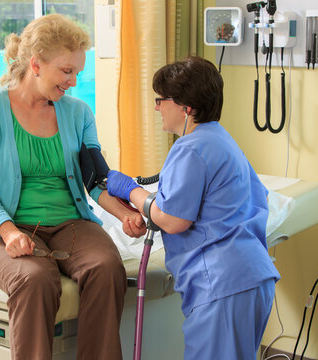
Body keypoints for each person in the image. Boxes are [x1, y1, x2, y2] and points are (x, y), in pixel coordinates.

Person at [0, 14, 146, 360]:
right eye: (66, 72)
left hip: (69, 223)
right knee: (34, 280)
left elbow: (96, 180)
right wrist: (7, 232)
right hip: (5, 226)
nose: (74, 81)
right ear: (35, 64)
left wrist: (124, 215)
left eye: (78, 72)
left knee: (107, 268)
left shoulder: (78, 113)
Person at [106, 56, 281, 360]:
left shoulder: (189, 148)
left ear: (186, 106)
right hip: (250, 279)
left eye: (161, 100)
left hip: (222, 285)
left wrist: (131, 190)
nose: (157, 107)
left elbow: (173, 220)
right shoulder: (222, 140)